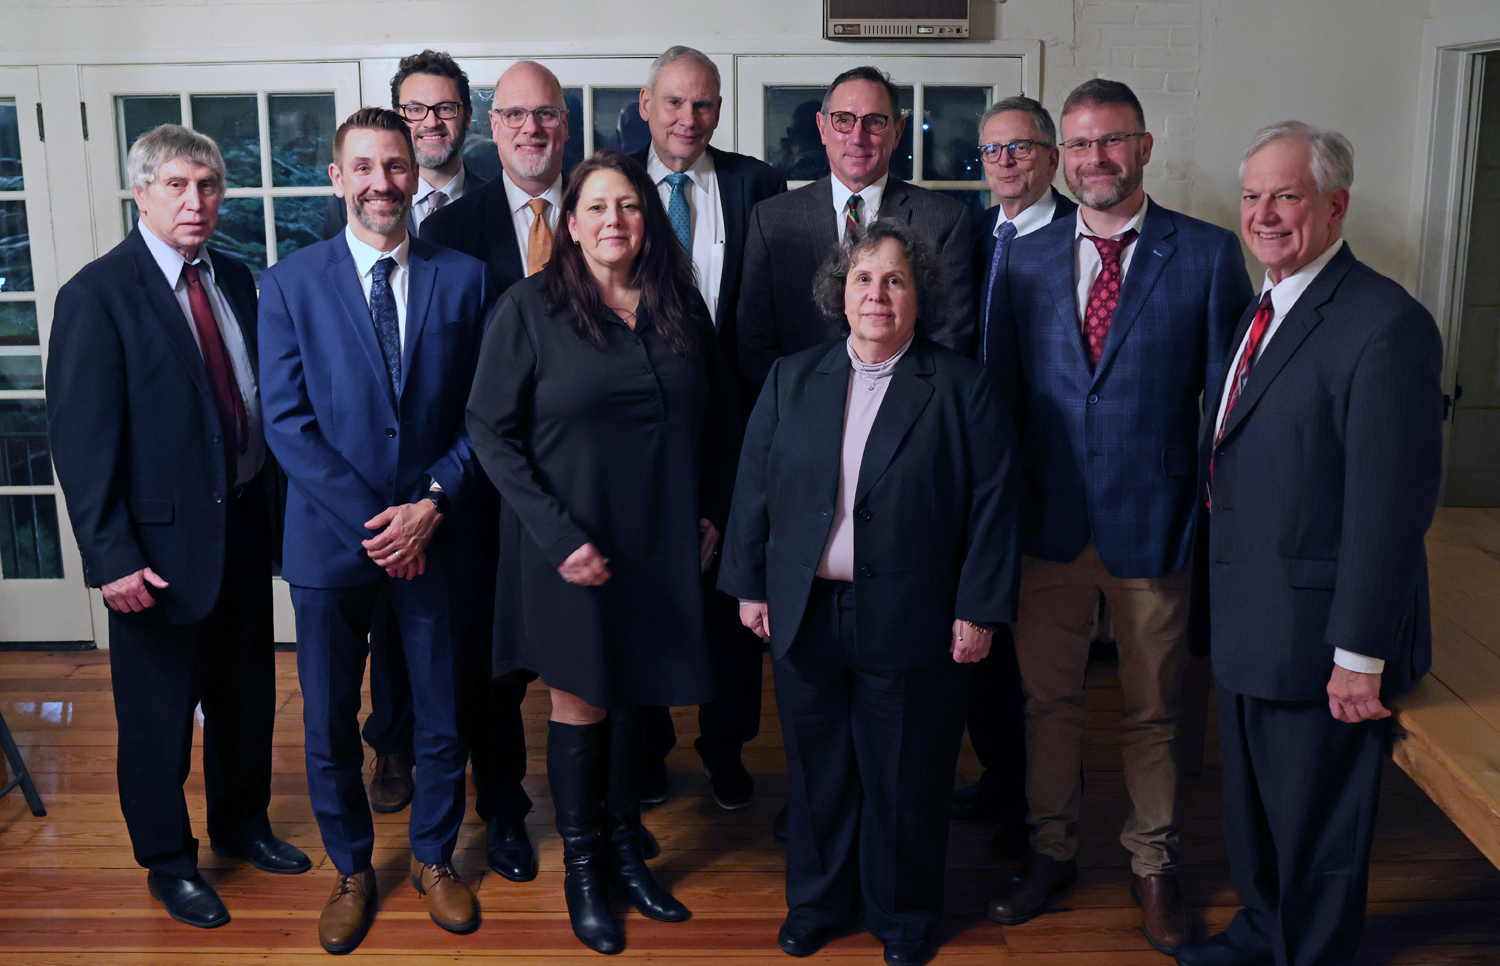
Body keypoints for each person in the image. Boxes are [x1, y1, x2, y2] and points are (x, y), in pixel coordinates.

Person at [981, 79, 1253, 955]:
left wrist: (1211, 519)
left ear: (1142, 148)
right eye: (1081, 143)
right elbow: (1003, 405)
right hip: (1048, 526)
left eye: (1112, 142)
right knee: (1047, 703)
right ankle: (1051, 849)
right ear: (1062, 153)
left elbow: (1231, 405)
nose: (1096, 159)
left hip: (1155, 523)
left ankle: (1153, 862)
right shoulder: (1021, 258)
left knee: (1154, 710)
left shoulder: (1207, 255)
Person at [1175, 123, 1444, 966]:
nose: (1264, 214)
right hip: (1251, 616)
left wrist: (1359, 654)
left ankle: (1310, 955)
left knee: (1318, 828)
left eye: (1285, 195)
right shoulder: (1266, 305)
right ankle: (1261, 934)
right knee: (1253, 812)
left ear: (1335, 205)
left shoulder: (1384, 324)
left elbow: (1390, 506)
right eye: (1253, 196)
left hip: (1322, 634)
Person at [719, 219, 1020, 966]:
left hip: (916, 617)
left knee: (906, 776)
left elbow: (994, 504)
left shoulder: (962, 387)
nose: (877, 294)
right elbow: (753, 487)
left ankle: (904, 914)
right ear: (839, 293)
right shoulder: (793, 377)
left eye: (895, 280)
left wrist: (979, 607)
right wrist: (751, 584)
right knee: (819, 772)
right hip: (807, 612)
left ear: (920, 296)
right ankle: (819, 902)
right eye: (863, 279)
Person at [465, 150, 738, 955]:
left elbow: (721, 416)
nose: (613, 220)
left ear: (646, 219)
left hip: (661, 539)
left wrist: (713, 512)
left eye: (628, 205)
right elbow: (489, 429)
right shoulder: (530, 307)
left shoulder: (678, 301)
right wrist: (557, 536)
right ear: (571, 224)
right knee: (582, 700)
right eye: (596, 208)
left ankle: (624, 848)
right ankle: (583, 868)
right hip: (567, 545)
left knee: (637, 695)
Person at [46, 124, 309, 929]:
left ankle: (241, 822)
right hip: (152, 555)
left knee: (245, 700)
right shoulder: (97, 295)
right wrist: (110, 556)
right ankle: (167, 860)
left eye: (208, 187)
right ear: (142, 193)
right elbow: (81, 442)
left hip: (240, 533)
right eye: (177, 187)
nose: (196, 203)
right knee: (158, 720)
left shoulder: (232, 276)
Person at [258, 108, 493, 953]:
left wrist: (431, 505)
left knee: (440, 714)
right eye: (363, 167)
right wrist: (378, 526)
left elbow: (484, 415)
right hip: (331, 547)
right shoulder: (288, 284)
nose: (381, 183)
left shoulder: (464, 279)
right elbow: (286, 424)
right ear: (336, 177)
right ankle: (352, 869)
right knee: (328, 723)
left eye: (394, 166)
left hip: (435, 534)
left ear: (415, 173)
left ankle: (433, 857)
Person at [628, 44, 788, 811]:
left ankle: (725, 748)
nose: (689, 119)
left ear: (719, 110)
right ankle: (650, 747)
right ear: (645, 104)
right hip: (644, 431)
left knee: (732, 605)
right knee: (651, 599)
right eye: (675, 103)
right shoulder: (611, 184)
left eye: (704, 105)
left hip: (739, 427)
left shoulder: (757, 184)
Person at [954, 94, 1077, 860]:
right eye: (992, 150)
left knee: (1044, 666)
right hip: (976, 475)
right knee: (984, 647)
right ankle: (1002, 779)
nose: (1004, 162)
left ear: (1052, 156)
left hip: (1052, 473)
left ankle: (1044, 815)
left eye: (1021, 148)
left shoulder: (1080, 239)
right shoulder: (969, 235)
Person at [736, 65, 974, 390]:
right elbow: (755, 339)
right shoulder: (771, 218)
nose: (857, 138)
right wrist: (793, 409)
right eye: (843, 120)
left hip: (905, 412)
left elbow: (949, 336)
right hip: (798, 411)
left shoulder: (945, 219)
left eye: (874, 122)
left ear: (898, 131)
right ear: (822, 128)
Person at [424, 60, 570, 296]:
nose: (531, 128)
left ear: (564, 123)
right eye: (514, 114)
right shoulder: (446, 231)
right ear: (494, 124)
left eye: (545, 113)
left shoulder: (605, 215)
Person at [322, 49, 489, 243]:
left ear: (467, 117)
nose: (431, 122)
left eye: (445, 108)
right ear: (398, 119)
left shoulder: (498, 203)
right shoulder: (350, 205)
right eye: (415, 109)